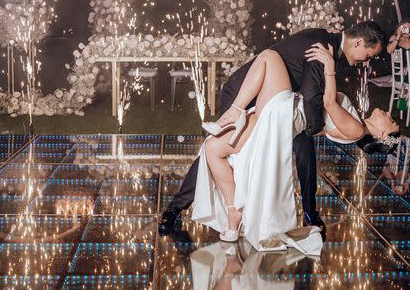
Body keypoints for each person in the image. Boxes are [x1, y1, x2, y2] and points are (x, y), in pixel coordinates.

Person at [159, 21, 387, 238]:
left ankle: (309, 212)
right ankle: (175, 208)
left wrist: (359, 136)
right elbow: (313, 97)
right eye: (369, 55)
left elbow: (339, 115)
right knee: (221, 148)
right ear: (357, 43)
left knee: (303, 148)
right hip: (247, 94)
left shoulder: (327, 40)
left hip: (276, 104)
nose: (367, 62)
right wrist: (316, 128)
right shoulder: (323, 48)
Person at [192, 43, 399, 251]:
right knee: (212, 149)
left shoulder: (356, 130)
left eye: (391, 122)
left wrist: (329, 66)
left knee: (269, 56)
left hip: (288, 116)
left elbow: (329, 103)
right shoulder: (357, 123)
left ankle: (235, 111)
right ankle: (232, 212)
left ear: (382, 137)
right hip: (287, 114)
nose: (390, 116)